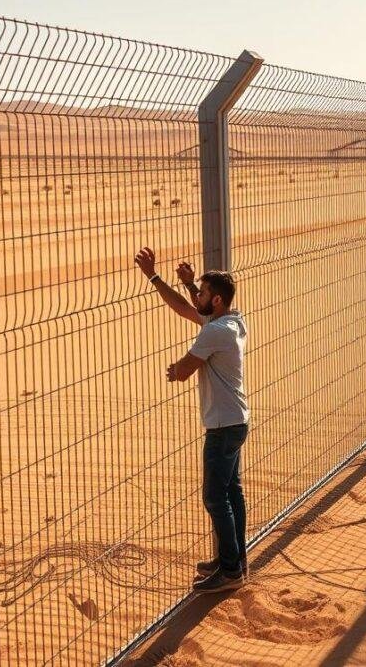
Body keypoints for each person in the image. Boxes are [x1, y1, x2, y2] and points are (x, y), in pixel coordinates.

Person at [133, 246, 250, 593]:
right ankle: (234, 558)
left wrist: (175, 369)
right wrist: (158, 279)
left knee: (216, 498)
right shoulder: (232, 321)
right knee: (232, 493)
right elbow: (189, 308)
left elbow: (183, 370)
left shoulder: (214, 332)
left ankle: (230, 571)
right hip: (234, 420)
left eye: (202, 292)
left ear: (215, 301)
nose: (196, 295)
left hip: (223, 427)